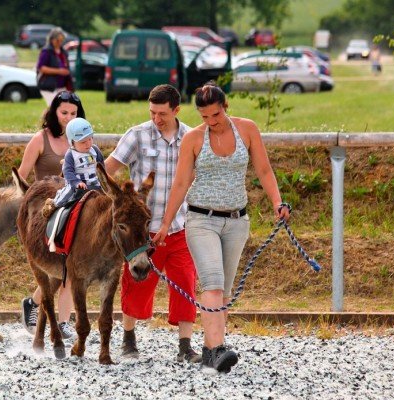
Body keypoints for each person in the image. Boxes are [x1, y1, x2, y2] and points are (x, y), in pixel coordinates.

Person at [152, 82, 290, 373]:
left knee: (224, 291)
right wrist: (166, 223)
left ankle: (212, 348)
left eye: (215, 115)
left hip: (237, 221)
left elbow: (264, 170)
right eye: (204, 117)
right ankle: (216, 350)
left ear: (225, 107)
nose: (211, 122)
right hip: (201, 219)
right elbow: (180, 183)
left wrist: (278, 202)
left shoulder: (247, 130)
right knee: (212, 282)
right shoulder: (193, 139)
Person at [104, 84, 201, 363]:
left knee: (185, 281)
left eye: (162, 113)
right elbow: (110, 167)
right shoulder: (136, 135)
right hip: (141, 232)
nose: (156, 118)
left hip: (179, 226)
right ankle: (129, 340)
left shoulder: (192, 138)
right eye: (152, 112)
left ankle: (185, 346)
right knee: (137, 283)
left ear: (176, 110)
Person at [18, 90, 85, 339]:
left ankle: (64, 321)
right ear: (54, 112)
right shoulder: (40, 140)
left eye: (74, 113)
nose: (69, 117)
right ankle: (35, 303)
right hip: (46, 212)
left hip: (76, 210)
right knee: (59, 267)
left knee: (72, 267)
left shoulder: (82, 140)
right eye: (64, 112)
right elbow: (22, 177)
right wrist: (24, 214)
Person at [42, 117, 105, 218]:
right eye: (83, 142)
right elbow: (67, 172)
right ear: (72, 142)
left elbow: (101, 165)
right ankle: (53, 204)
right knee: (67, 194)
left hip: (95, 182)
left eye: (90, 139)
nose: (88, 144)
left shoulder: (95, 150)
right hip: (77, 184)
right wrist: (76, 182)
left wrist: (103, 178)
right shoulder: (71, 154)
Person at [36, 27, 73, 106]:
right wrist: (59, 71)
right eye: (58, 40)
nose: (60, 42)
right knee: (54, 107)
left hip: (63, 86)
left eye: (61, 40)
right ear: (52, 39)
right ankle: (45, 118)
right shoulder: (46, 51)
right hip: (49, 86)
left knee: (61, 108)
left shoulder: (63, 52)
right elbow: (41, 68)